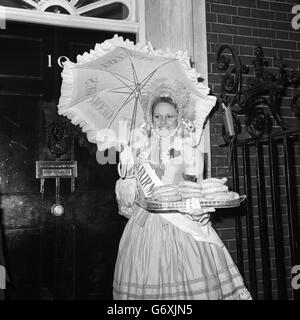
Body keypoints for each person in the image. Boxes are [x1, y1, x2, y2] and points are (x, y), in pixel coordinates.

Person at [113, 78, 251, 300]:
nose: (163, 121)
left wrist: (201, 213)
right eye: (157, 116)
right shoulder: (136, 152)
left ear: (179, 118)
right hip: (144, 230)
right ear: (150, 119)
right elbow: (127, 204)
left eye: (169, 116)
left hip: (183, 225)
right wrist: (126, 178)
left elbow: (197, 191)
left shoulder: (191, 152)